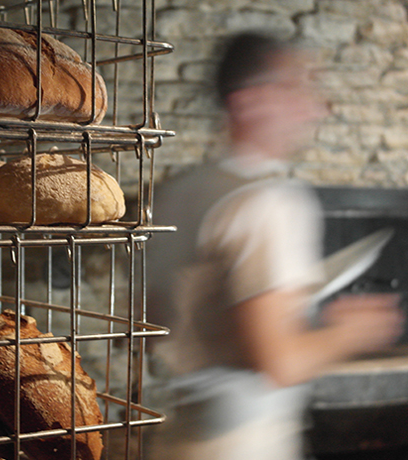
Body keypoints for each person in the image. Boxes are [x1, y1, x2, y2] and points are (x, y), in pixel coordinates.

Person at [145, 31, 404, 460]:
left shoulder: (180, 191)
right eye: (298, 86)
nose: (317, 107)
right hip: (243, 444)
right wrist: (351, 331)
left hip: (179, 440)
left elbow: (156, 321)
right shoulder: (270, 202)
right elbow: (279, 363)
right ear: (249, 101)